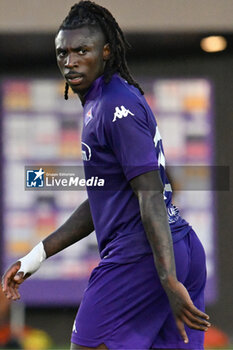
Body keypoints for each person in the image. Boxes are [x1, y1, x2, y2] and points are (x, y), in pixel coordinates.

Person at [2, 2, 210, 349]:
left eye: (81, 50)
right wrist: (36, 256)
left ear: (106, 51)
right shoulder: (107, 99)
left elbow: (149, 193)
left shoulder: (113, 105)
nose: (70, 61)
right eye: (62, 53)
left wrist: (168, 279)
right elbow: (104, 196)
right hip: (178, 247)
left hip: (141, 256)